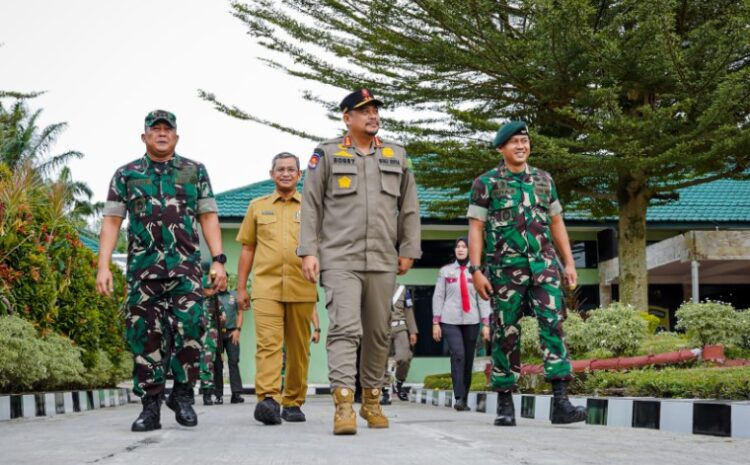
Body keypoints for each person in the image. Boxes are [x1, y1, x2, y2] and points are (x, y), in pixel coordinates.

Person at [298, 88, 421, 435]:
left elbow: (409, 205)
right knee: (345, 330)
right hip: (339, 258)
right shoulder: (326, 154)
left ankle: (371, 400)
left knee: (380, 333)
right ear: (347, 117)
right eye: (364, 110)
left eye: (375, 110)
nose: (373, 115)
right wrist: (309, 250)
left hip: (383, 258)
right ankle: (343, 405)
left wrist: (409, 247)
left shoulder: (397, 155)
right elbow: (311, 206)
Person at [96, 109, 227, 432]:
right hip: (143, 273)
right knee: (145, 337)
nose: (162, 134)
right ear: (145, 136)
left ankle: (182, 395)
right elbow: (112, 221)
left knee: (192, 329)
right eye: (155, 129)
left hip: (186, 270)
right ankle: (150, 406)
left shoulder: (193, 171)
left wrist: (219, 259)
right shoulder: (126, 174)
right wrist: (104, 265)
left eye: (168, 129)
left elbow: (207, 216)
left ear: (176, 136)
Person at [467, 121, 587, 426]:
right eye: (514, 142)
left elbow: (557, 222)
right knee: (505, 332)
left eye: (525, 141)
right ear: (501, 148)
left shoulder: (544, 180)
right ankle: (505, 404)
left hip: (544, 267)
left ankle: (561, 402)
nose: (521, 146)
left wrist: (569, 263)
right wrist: (476, 270)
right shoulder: (487, 183)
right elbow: (476, 228)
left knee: (553, 327)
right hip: (505, 270)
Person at [236, 152, 317, 425]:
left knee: (298, 348)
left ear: (299, 175)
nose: (285, 173)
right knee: (268, 344)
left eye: (290, 169)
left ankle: (293, 401)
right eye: (280, 169)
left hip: (302, 286)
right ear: (271, 174)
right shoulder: (257, 207)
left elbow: (321, 248)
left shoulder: (311, 207)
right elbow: (247, 248)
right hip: (266, 287)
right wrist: (241, 288)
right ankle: (269, 399)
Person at [431, 237, 491, 411]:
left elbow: (483, 298)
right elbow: (438, 296)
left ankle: (464, 397)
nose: (460, 249)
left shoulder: (478, 272)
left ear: (470, 250)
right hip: (450, 320)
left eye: (464, 246)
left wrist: (485, 323)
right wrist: (436, 322)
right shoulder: (446, 271)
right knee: (458, 354)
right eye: (458, 246)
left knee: (468, 358)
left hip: (471, 320)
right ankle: (458, 397)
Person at [381, 284, 418, 404]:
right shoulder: (376, 287)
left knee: (405, 356)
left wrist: (412, 331)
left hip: (400, 327)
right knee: (381, 360)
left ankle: (399, 381)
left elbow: (408, 310)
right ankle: (386, 390)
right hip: (382, 328)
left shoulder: (402, 289)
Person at [212, 286, 245, 405]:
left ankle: (236, 394)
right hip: (217, 334)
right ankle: (218, 395)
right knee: (217, 364)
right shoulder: (212, 296)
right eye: (221, 280)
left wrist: (238, 330)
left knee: (234, 361)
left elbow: (240, 313)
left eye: (225, 280)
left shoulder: (234, 295)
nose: (223, 283)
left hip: (232, 333)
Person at [198, 272, 221, 405]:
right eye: (208, 288)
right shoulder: (195, 301)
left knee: (208, 363)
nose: (211, 291)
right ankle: (186, 393)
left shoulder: (215, 301)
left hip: (210, 336)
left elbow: (221, 315)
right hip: (196, 335)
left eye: (212, 288)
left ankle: (207, 393)